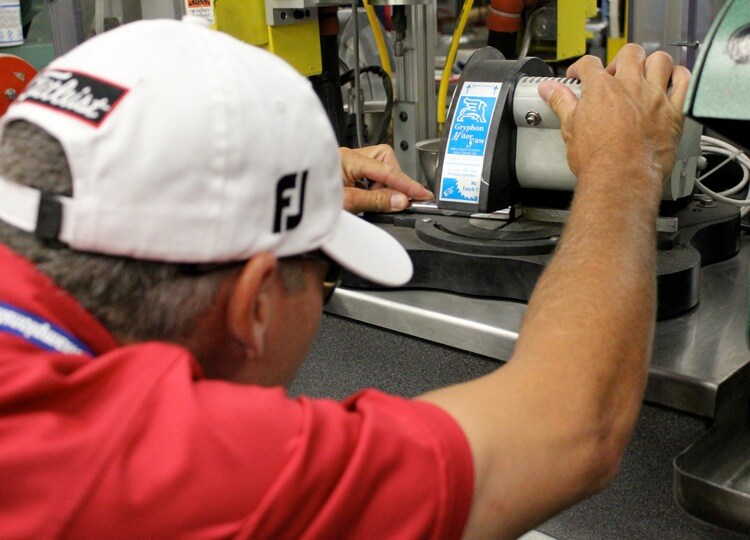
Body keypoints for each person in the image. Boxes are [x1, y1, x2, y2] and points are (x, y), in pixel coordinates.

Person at [0, 18, 689, 539]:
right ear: (254, 307)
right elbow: (572, 423)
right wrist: (625, 162)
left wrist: (279, 170)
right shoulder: (157, 467)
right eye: (326, 272)